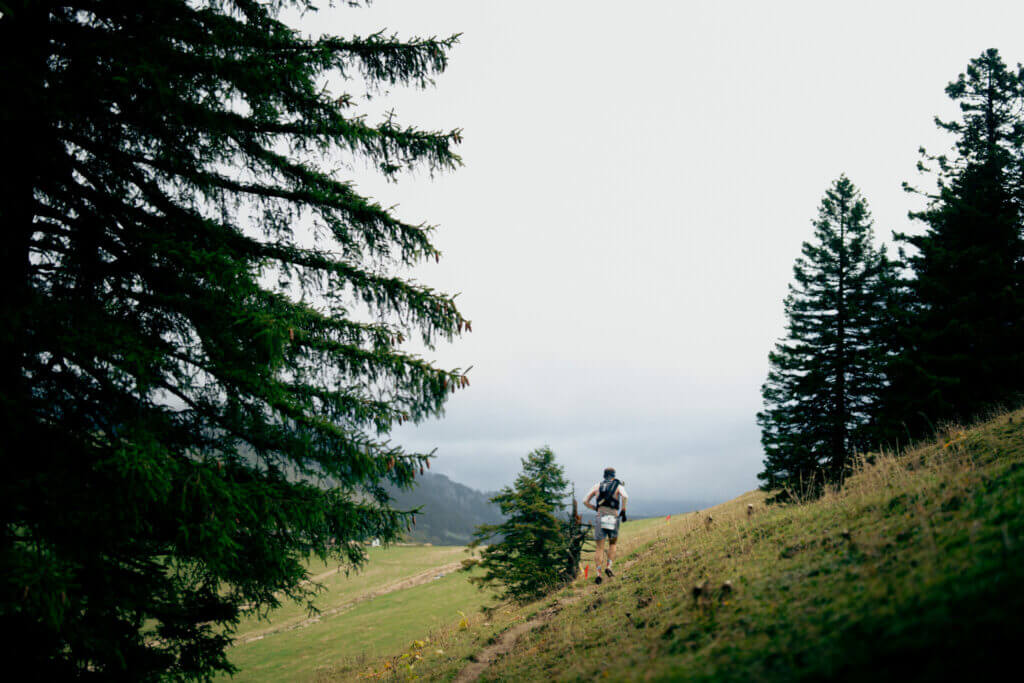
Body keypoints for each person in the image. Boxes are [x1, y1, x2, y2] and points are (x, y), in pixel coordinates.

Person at [583, 467, 628, 584]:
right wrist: (623, 509)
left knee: (599, 548)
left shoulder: (597, 486)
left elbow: (585, 501)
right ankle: (609, 567)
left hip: (600, 515)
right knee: (612, 544)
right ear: (613, 475)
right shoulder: (618, 486)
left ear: (604, 475)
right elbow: (625, 496)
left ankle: (598, 574)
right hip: (613, 515)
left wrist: (594, 508)